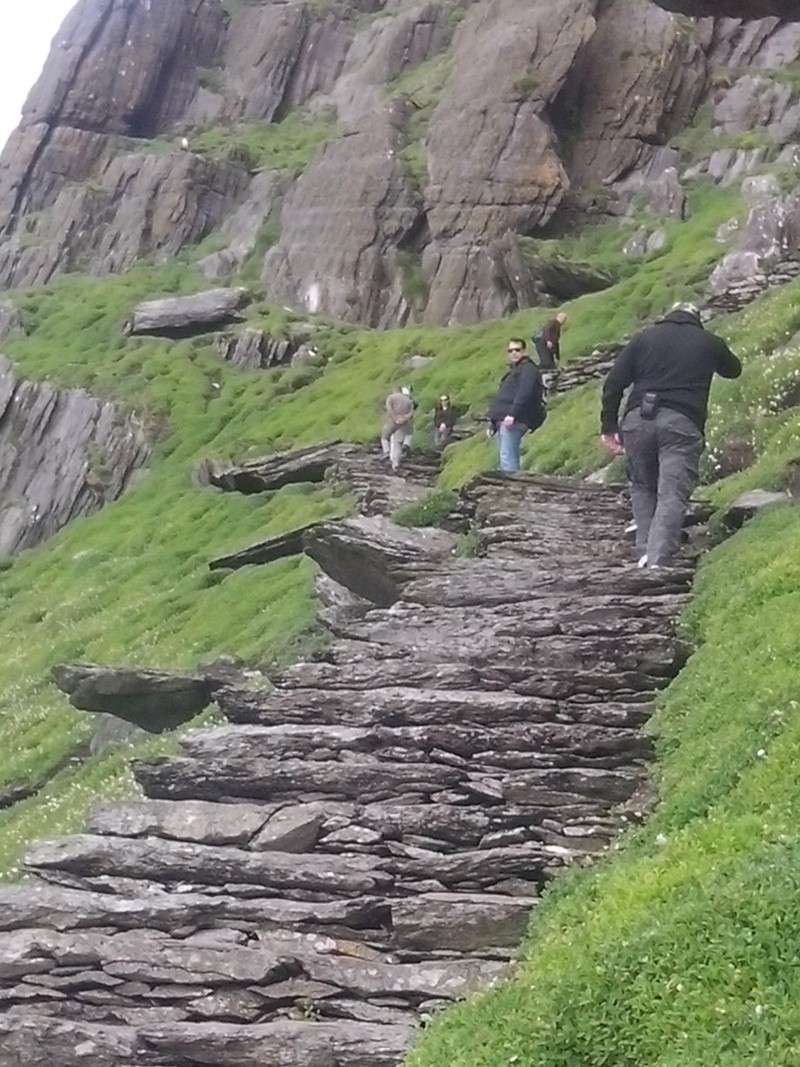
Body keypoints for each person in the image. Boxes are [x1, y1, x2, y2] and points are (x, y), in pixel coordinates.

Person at [600, 303, 741, 569]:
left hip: (637, 421)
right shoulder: (709, 342)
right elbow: (734, 370)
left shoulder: (644, 339)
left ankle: (644, 549)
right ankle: (657, 560)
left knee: (642, 486)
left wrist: (609, 426)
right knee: (671, 491)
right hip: (681, 422)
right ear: (696, 320)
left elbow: (614, 382)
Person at [489, 338, 546, 473]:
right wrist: (492, 423)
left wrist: (513, 414)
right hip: (504, 419)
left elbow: (525, 392)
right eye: (510, 350)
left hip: (515, 419)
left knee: (508, 458)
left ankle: (512, 487)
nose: (514, 353)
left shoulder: (528, 369)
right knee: (505, 457)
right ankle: (510, 485)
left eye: (517, 350)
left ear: (524, 351)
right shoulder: (514, 371)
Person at [381, 385, 415, 472]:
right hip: (404, 422)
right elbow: (411, 411)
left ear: (394, 390)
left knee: (385, 437)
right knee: (402, 440)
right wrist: (404, 418)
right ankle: (397, 462)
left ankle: (386, 452)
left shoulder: (391, 397)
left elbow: (389, 408)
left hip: (393, 422)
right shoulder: (408, 400)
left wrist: (395, 418)